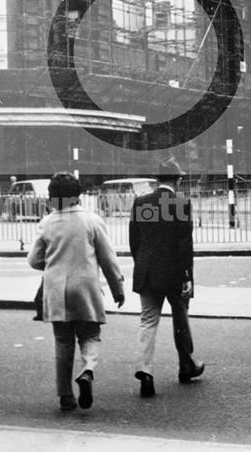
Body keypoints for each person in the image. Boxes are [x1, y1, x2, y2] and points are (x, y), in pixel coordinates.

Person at [27, 172, 125, 411]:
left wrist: (53, 265)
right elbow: (108, 260)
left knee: (62, 341)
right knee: (90, 335)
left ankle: (65, 396)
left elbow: (33, 260)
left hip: (56, 290)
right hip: (86, 289)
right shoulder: (92, 220)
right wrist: (117, 289)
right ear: (78, 195)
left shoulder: (46, 223)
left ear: (53, 197)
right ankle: (87, 370)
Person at [129, 157, 204, 398]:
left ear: (158, 180)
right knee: (180, 317)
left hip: (148, 270)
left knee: (148, 320)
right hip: (174, 272)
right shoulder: (181, 203)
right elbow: (185, 244)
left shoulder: (141, 202)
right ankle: (186, 365)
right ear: (178, 179)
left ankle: (145, 371)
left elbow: (134, 241)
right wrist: (186, 275)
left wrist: (142, 265)